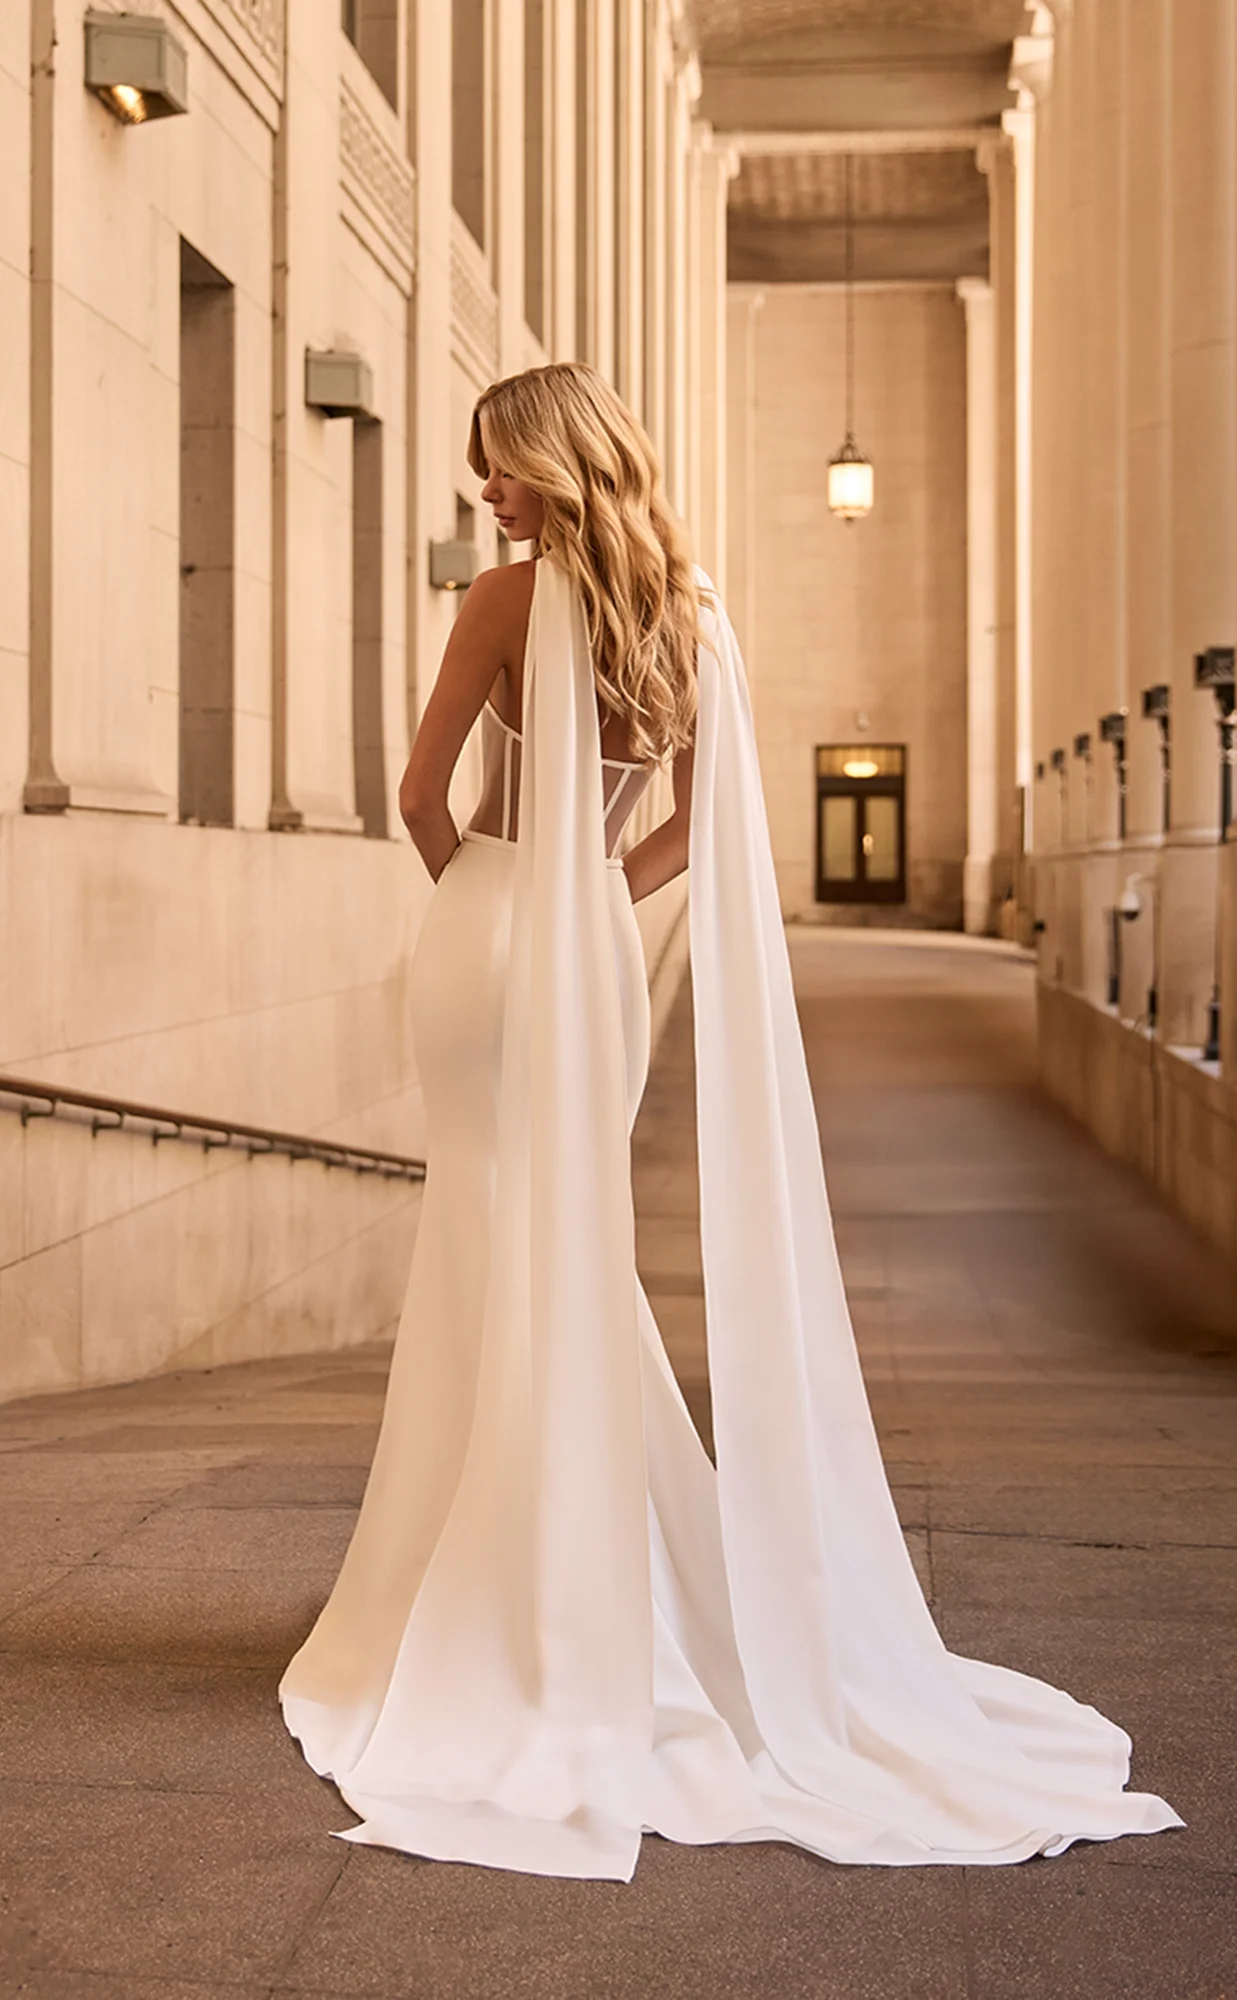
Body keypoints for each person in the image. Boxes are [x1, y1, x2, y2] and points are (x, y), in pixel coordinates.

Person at [280, 361, 1182, 1882]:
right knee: (568, 1242)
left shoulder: (501, 603)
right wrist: (587, 905)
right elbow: (698, 822)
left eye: (501, 465)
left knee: (486, 1231)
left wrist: (500, 905)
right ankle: (579, 1569)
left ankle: (483, 1576)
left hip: (488, 939)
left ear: (559, 462)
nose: (486, 491)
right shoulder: (690, 616)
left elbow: (421, 796)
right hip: (595, 953)